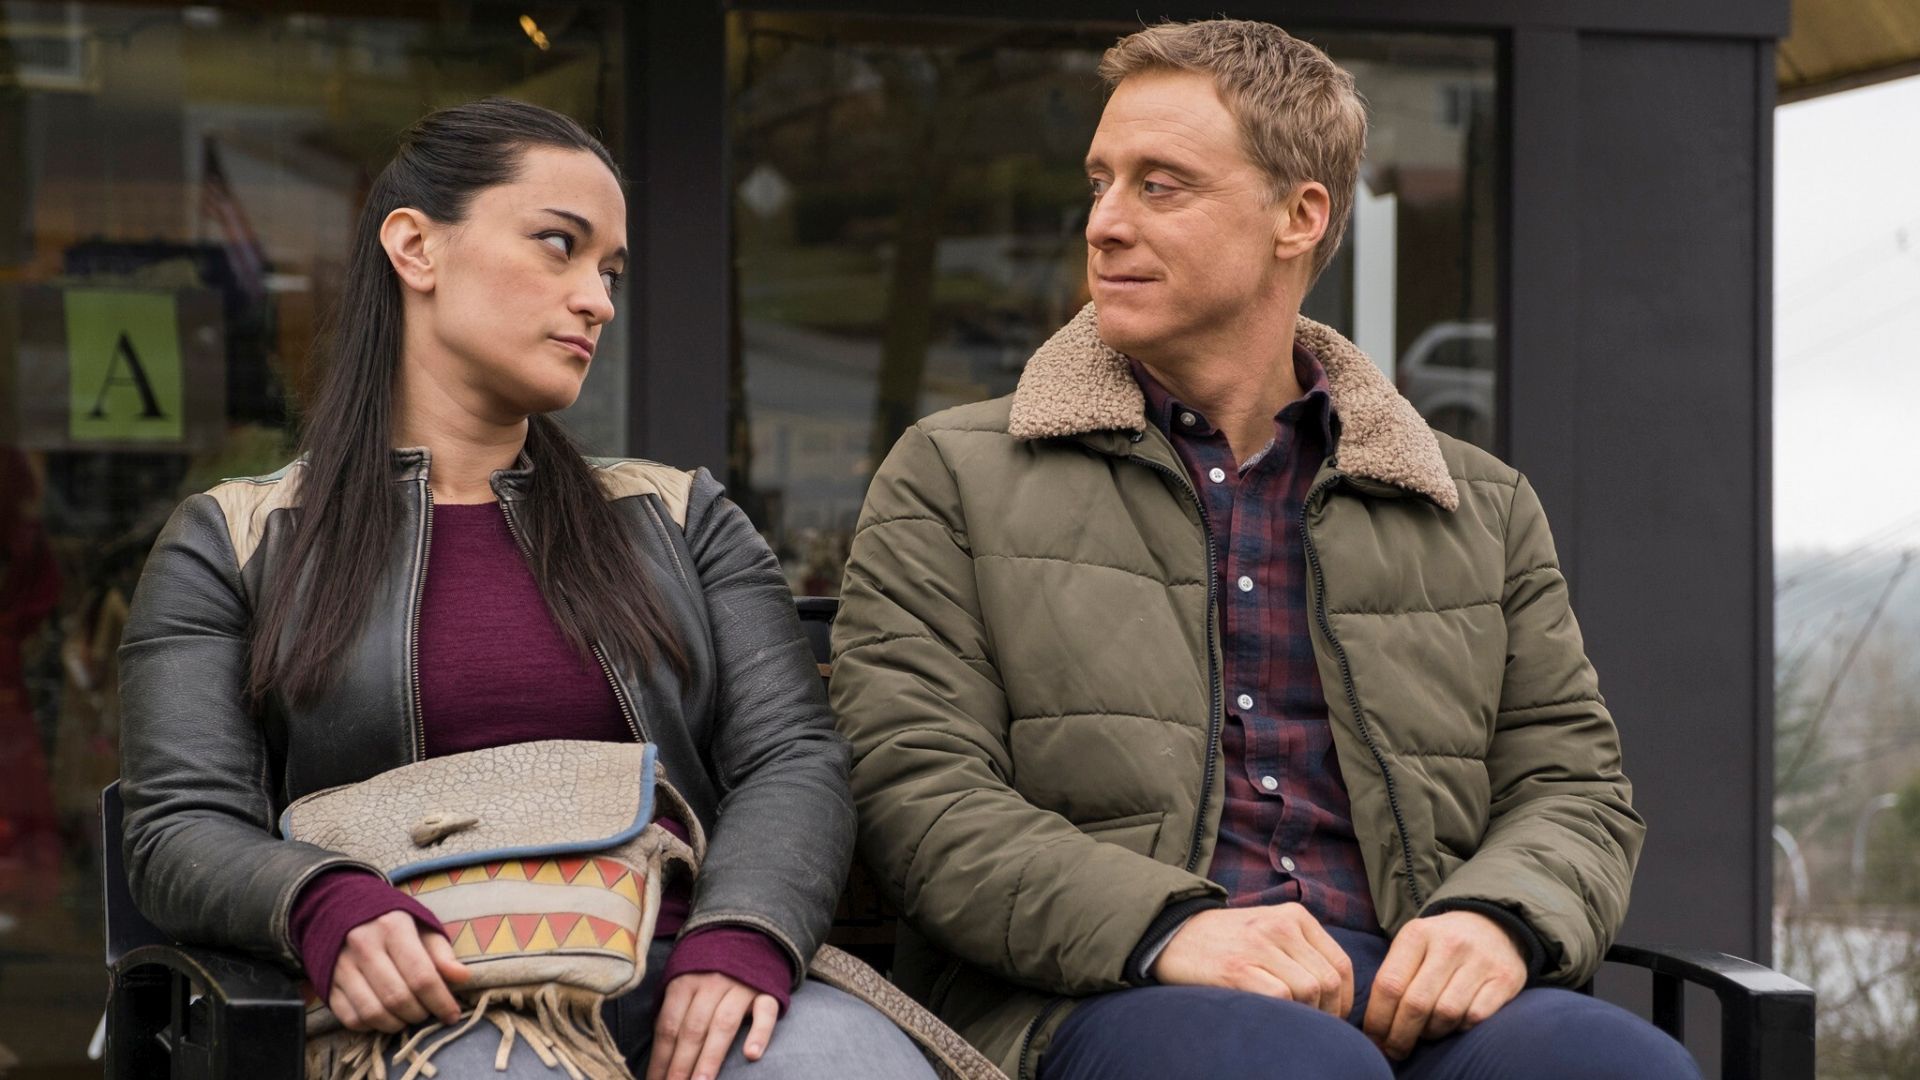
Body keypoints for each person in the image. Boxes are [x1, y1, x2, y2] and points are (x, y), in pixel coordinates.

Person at [830, 20, 1700, 1080]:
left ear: (1300, 216)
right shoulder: (952, 476)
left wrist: (1499, 918)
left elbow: (1573, 789)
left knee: (1620, 1067)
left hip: (1413, 996)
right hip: (1099, 992)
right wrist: (1170, 926)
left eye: (1159, 186)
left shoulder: (1479, 505)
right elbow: (916, 793)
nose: (1104, 223)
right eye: (1100, 182)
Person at [118, 98, 932, 1080]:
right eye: (559, 245)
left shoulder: (681, 517)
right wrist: (322, 903)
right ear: (416, 248)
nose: (598, 301)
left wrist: (745, 934)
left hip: (688, 978)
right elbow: (180, 827)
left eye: (610, 272)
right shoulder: (235, 541)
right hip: (428, 1001)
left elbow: (792, 757)